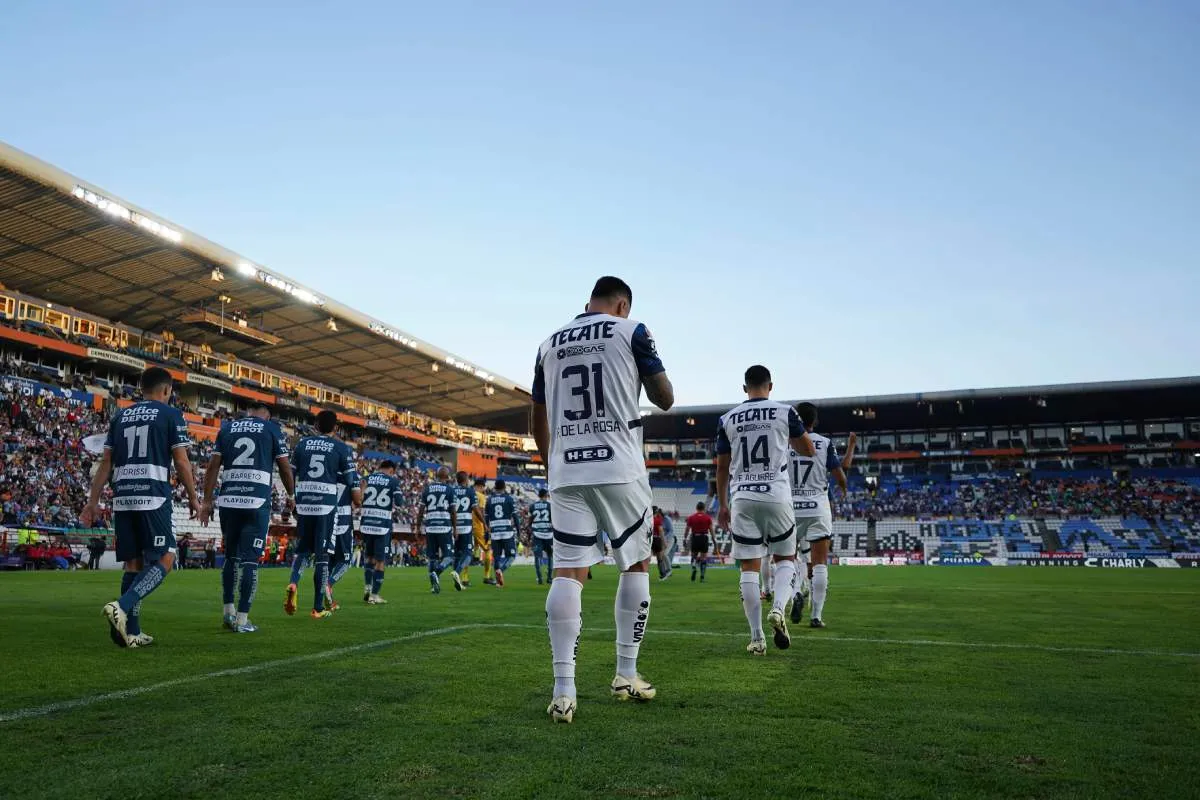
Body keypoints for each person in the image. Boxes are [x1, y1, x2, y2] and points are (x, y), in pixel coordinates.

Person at [532, 276, 674, 723]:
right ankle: (625, 674)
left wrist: (553, 462)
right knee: (635, 564)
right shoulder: (630, 330)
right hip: (619, 466)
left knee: (568, 572)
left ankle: (563, 690)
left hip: (566, 467)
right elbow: (664, 399)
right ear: (622, 304)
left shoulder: (548, 343)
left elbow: (537, 417)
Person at [81, 366, 200, 648]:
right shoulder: (171, 414)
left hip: (123, 497)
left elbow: (106, 462)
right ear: (167, 390)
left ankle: (128, 633)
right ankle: (122, 607)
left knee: (132, 564)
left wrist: (92, 501)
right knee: (166, 558)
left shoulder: (120, 415)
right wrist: (194, 497)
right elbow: (181, 461)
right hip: (153, 496)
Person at [715, 365, 813, 656]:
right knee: (785, 558)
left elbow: (721, 466)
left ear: (745, 388)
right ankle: (779, 608)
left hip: (742, 497)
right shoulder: (785, 412)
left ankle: (757, 638)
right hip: (777, 495)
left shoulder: (727, 419)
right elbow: (807, 449)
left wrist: (722, 504)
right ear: (770, 386)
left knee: (749, 568)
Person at [199, 401, 295, 634]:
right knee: (250, 562)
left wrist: (207, 500)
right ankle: (242, 620)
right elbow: (284, 467)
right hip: (256, 501)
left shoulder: (227, 428)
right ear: (267, 415)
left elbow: (212, 467)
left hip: (229, 501)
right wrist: (291, 494)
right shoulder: (271, 429)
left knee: (231, 558)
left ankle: (228, 613)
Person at [286, 410, 360, 619]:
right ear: (336, 428)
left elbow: (289, 474)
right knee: (322, 556)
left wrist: (292, 497)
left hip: (304, 502)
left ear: (315, 425)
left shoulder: (301, 444)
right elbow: (354, 493)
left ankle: (293, 582)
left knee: (303, 549)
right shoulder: (341, 448)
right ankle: (318, 607)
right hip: (326, 506)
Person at [788, 406, 855, 628]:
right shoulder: (824, 443)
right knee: (819, 565)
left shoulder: (785, 442)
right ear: (814, 422)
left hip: (790, 508)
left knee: (788, 559)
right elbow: (840, 473)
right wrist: (844, 488)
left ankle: (796, 592)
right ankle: (816, 616)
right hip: (817, 507)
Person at [359, 460, 400, 604]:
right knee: (380, 561)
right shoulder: (392, 481)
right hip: (382, 525)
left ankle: (367, 587)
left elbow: (358, 499)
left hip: (366, 524)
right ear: (391, 470)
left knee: (369, 558)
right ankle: (374, 595)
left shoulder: (366, 479)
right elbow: (400, 502)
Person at [416, 467, 457, 594]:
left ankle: (434, 586)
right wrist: (455, 528)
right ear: (447, 477)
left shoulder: (427, 489)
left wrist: (417, 527)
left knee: (432, 558)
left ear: (437, 475)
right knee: (449, 557)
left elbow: (421, 511)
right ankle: (437, 572)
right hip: (444, 527)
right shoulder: (450, 490)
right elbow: (453, 511)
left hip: (430, 527)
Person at [324, 479, 357, 611]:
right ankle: (328, 585)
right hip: (343, 524)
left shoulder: (329, 467)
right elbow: (358, 501)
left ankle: (327, 600)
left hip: (327, 521)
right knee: (345, 561)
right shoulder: (350, 472)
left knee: (330, 561)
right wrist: (363, 489)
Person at [484, 480, 518, 586]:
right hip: (507, 532)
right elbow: (515, 517)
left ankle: (498, 581)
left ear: (495, 487)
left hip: (494, 532)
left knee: (497, 556)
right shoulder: (509, 499)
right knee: (511, 556)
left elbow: (486, 518)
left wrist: (486, 533)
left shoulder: (489, 500)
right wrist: (519, 530)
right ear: (504, 487)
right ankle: (501, 571)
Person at [450, 471, 477, 591]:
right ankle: (457, 572)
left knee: (457, 554)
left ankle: (458, 581)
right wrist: (484, 523)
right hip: (466, 527)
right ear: (466, 480)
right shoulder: (470, 491)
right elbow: (475, 509)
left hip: (454, 527)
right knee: (468, 554)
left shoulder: (451, 491)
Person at [467, 476, 494, 586]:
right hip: (478, 526)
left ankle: (464, 578)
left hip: (467, 526)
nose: (484, 489)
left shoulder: (468, 494)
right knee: (487, 550)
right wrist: (486, 526)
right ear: (480, 486)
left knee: (466, 551)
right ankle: (487, 577)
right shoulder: (481, 496)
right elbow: (481, 512)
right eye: (483, 487)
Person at [529, 488, 554, 584]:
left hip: (537, 534)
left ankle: (539, 578)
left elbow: (530, 519)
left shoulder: (533, 506)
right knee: (550, 556)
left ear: (539, 495)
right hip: (549, 534)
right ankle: (549, 578)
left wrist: (529, 528)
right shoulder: (550, 506)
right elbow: (554, 520)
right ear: (546, 495)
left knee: (537, 556)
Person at [684, 502, 714, 582]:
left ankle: (694, 567)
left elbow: (687, 529)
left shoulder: (691, 517)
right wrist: (714, 540)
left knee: (694, 556)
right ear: (704, 508)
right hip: (704, 537)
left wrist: (685, 538)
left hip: (695, 538)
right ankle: (702, 576)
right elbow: (711, 530)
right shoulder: (707, 518)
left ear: (696, 508)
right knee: (703, 557)